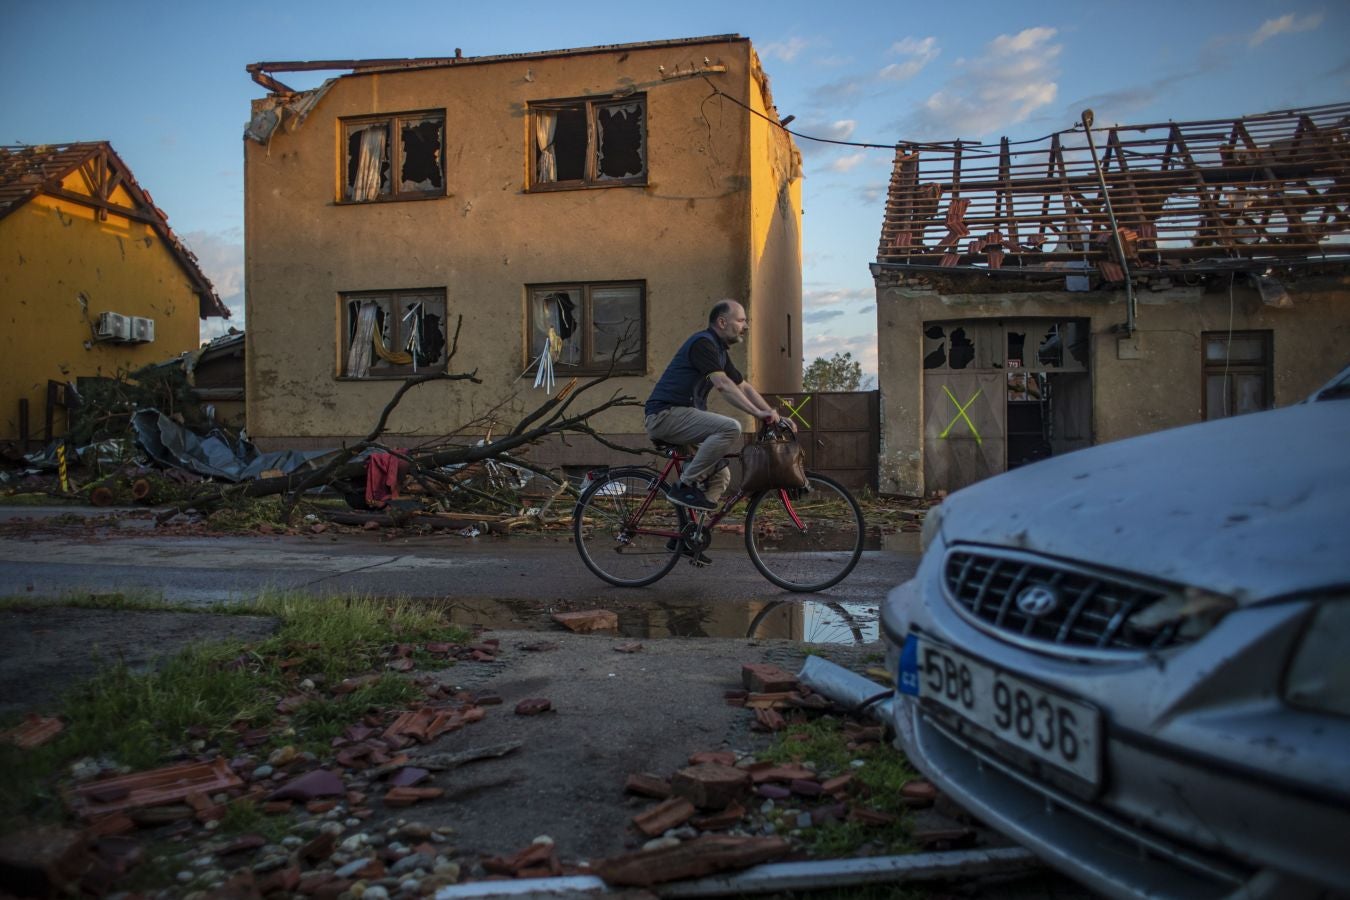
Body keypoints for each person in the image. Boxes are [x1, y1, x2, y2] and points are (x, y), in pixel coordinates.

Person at [644, 299, 794, 512]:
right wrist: (758, 413)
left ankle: (691, 536)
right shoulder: (702, 344)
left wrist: (770, 412)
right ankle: (684, 485)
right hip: (665, 415)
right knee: (731, 427)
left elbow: (743, 387)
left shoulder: (719, 352)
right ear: (722, 322)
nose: (746, 326)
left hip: (682, 416)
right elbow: (723, 385)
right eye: (741, 320)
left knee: (720, 476)